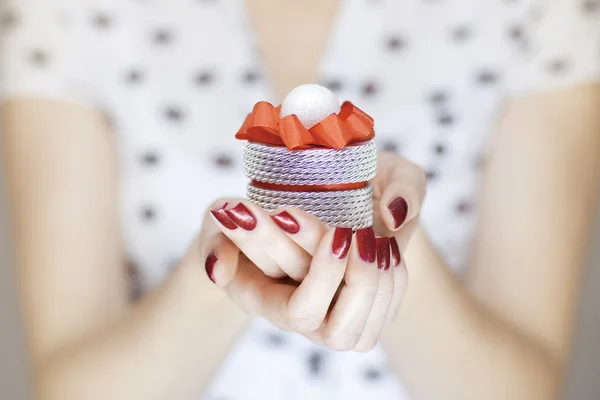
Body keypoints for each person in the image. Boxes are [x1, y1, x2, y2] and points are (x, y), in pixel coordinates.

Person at [1, 0, 600, 399]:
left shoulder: (532, 12)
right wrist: (227, 271)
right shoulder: (69, 13)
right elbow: (70, 387)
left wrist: (392, 247)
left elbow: (523, 387)